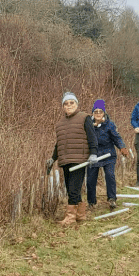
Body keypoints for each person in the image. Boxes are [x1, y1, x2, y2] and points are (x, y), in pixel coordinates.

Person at [46, 92, 98, 225]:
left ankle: (70, 218)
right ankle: (80, 215)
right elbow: (60, 143)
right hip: (66, 160)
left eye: (71, 103)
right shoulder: (60, 124)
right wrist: (53, 158)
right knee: (70, 188)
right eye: (66, 103)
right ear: (63, 106)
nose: (69, 105)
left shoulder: (85, 118)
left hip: (79, 160)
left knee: (73, 188)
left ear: (76, 104)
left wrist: (93, 153)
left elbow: (92, 137)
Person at [87, 99, 130, 210]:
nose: (98, 114)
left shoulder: (109, 124)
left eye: (100, 112)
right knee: (91, 179)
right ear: (92, 113)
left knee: (110, 176)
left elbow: (116, 137)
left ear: (104, 113)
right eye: (95, 112)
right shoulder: (88, 125)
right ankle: (91, 202)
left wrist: (122, 147)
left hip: (108, 154)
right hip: (93, 155)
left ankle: (112, 199)